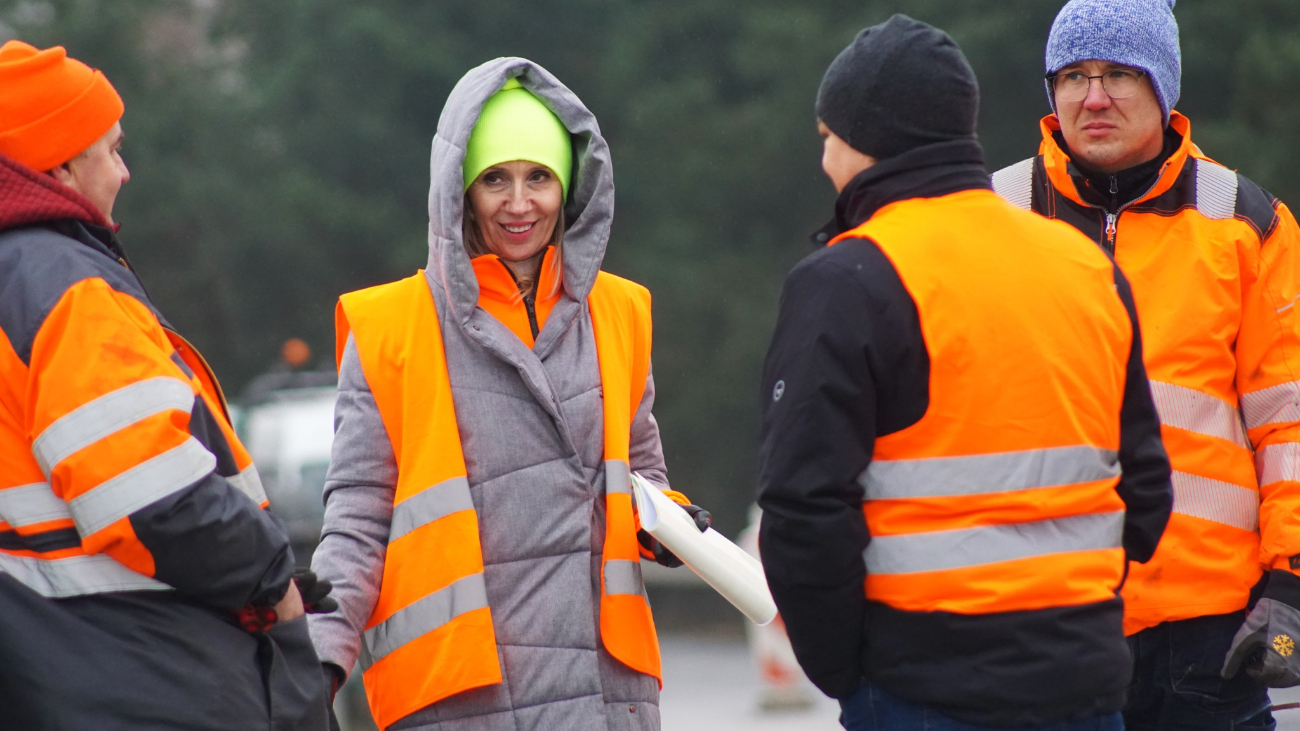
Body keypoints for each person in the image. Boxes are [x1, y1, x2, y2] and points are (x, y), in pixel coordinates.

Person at [757, 15, 1174, 731]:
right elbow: (1147, 489)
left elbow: (801, 511)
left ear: (867, 141)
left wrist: (846, 671)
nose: (824, 160)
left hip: (920, 687)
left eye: (828, 139)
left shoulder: (849, 278)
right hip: (1084, 682)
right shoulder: (1085, 266)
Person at [308, 57, 708, 731]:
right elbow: (358, 523)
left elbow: (639, 473)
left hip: (609, 695)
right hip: (462, 700)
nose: (519, 204)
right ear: (459, 189)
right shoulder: (390, 328)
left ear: (570, 185)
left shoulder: (621, 311)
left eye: (539, 178)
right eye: (495, 178)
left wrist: (669, 523)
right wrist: (315, 662)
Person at [0, 40, 333, 728]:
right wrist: (273, 581)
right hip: (148, 675)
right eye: (111, 149)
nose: (124, 172)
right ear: (60, 163)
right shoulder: (64, 287)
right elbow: (156, 498)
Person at [991, 1, 1300, 727]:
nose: (1092, 97)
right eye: (1072, 76)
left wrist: (1290, 584)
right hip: (1034, 617)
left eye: (1120, 74)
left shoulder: (1247, 226)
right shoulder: (992, 215)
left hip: (1210, 631)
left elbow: (1289, 423)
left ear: (1165, 90)